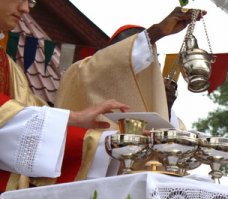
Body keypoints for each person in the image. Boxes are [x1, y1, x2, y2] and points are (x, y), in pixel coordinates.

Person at [0, 0, 129, 192]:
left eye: (31, 2)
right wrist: (74, 118)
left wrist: (111, 141)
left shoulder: (7, 63)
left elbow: (29, 114)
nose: (26, 9)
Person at [56, 7, 205, 129]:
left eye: (153, 65)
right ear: (112, 54)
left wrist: (164, 108)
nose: (150, 73)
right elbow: (112, 65)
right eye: (142, 60)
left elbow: (175, 143)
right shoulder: (80, 73)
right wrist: (157, 32)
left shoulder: (155, 96)